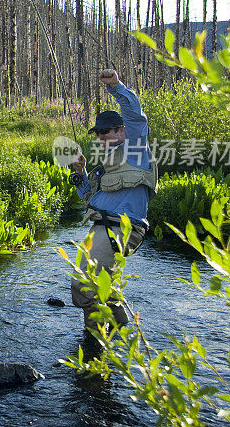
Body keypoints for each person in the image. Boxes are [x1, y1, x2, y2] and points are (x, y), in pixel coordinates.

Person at [68, 68, 158, 330]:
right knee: (105, 291)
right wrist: (80, 171)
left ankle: (95, 347)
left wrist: (116, 87)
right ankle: (123, 334)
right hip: (104, 228)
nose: (100, 137)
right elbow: (89, 199)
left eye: (105, 131)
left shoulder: (136, 149)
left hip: (119, 229)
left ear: (122, 131)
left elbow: (136, 117)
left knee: (84, 288)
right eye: (97, 133)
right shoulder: (105, 165)